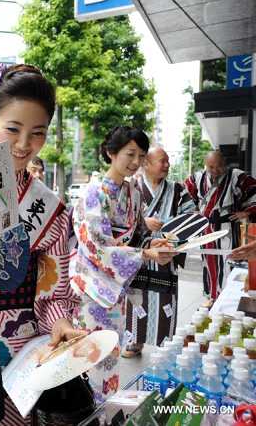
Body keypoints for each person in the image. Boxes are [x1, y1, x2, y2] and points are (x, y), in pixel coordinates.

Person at [0, 64, 84, 425]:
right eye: (13, 129)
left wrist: (61, 321)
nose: (24, 145)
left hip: (19, 347)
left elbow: (51, 289)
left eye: (37, 133)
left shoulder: (49, 209)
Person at [71, 126, 178, 401]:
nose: (135, 162)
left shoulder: (133, 194)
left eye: (141, 156)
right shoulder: (93, 193)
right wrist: (143, 254)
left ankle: (106, 408)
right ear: (110, 153)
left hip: (115, 289)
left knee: (111, 353)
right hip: (92, 287)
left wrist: (151, 245)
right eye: (130, 154)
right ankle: (87, 408)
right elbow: (96, 245)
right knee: (89, 354)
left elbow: (137, 237)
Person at [123, 147, 196, 357]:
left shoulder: (177, 189)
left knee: (165, 299)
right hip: (141, 254)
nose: (167, 165)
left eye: (168, 161)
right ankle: (136, 340)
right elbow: (120, 220)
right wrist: (143, 222)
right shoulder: (132, 188)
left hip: (167, 253)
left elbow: (192, 216)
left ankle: (166, 341)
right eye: (162, 161)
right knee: (138, 298)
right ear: (146, 163)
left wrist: (172, 229)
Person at [184, 151, 256, 308]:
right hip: (206, 227)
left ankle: (231, 297)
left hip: (229, 226)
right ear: (205, 165)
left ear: (225, 163)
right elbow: (185, 197)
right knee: (209, 263)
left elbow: (254, 192)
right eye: (211, 166)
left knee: (230, 261)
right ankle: (212, 296)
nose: (215, 170)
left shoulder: (238, 176)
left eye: (219, 166)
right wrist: (193, 211)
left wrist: (245, 212)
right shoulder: (197, 178)